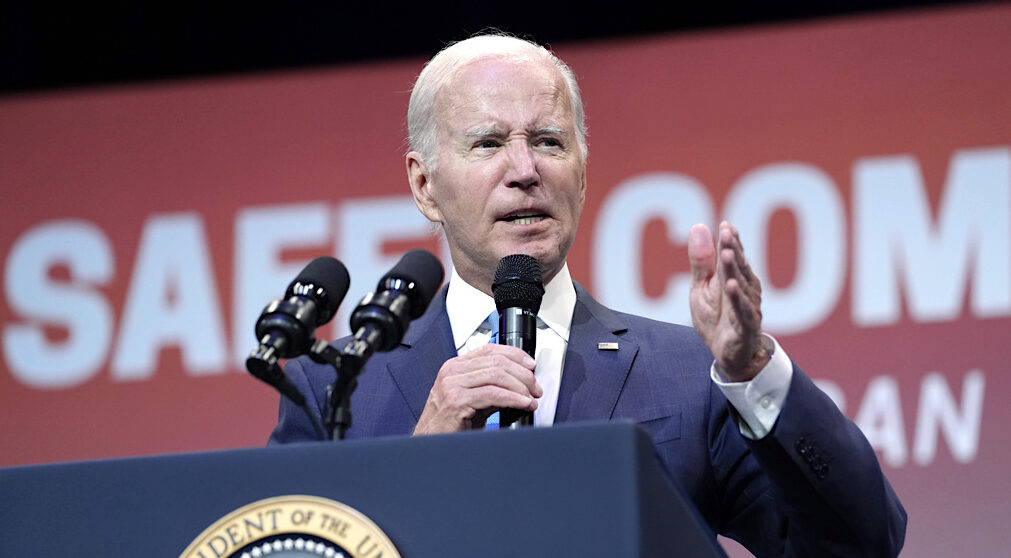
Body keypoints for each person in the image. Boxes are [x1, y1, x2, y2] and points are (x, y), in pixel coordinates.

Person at [270, 34, 906, 556]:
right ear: (425, 185)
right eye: (489, 144)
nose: (525, 170)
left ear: (582, 170)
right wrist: (418, 471)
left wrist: (755, 374)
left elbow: (861, 541)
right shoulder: (335, 388)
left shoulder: (688, 376)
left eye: (548, 141)